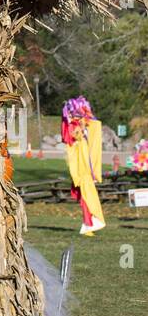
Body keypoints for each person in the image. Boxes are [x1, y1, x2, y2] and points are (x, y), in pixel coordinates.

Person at [61, 96, 106, 237]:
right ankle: (89, 224)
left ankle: (88, 224)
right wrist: (79, 128)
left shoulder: (81, 125)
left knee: (87, 197)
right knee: (86, 197)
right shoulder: (72, 127)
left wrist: (85, 124)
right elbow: (73, 138)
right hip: (81, 169)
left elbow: (94, 127)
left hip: (86, 168)